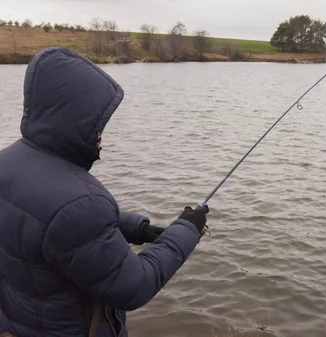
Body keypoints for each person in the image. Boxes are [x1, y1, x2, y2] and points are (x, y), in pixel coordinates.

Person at [0, 47, 210, 337]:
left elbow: (53, 223)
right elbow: (133, 286)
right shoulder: (79, 202)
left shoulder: (8, 163)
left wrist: (140, 229)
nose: (102, 133)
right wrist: (186, 231)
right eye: (98, 122)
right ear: (74, 117)